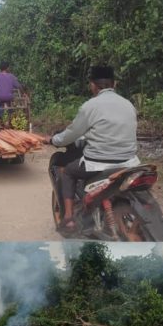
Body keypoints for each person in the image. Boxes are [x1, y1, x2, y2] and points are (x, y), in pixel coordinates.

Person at [44, 65, 140, 230]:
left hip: (98, 164)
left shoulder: (90, 106)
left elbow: (71, 134)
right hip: (129, 162)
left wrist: (54, 140)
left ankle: (68, 219)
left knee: (68, 172)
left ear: (93, 85)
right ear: (114, 84)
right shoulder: (128, 105)